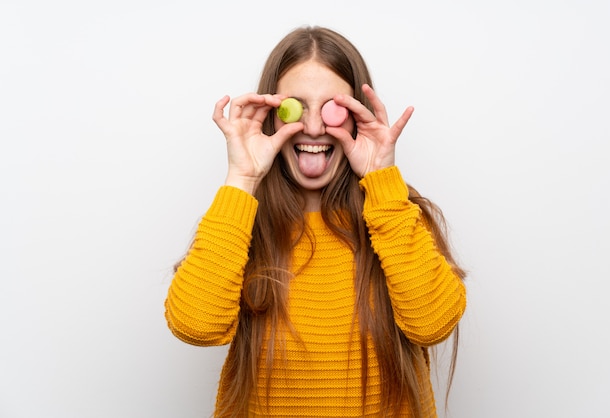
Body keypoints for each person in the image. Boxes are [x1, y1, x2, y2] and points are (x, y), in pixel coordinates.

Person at [164, 26, 466, 417]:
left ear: (358, 116)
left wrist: (381, 182)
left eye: (331, 108)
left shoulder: (394, 214)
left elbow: (434, 324)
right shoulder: (240, 224)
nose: (313, 127)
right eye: (296, 106)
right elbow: (195, 326)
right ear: (272, 116)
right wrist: (242, 178)